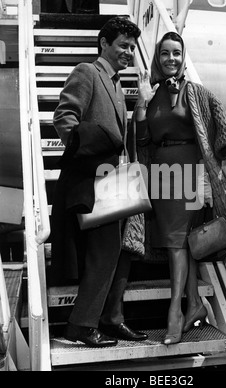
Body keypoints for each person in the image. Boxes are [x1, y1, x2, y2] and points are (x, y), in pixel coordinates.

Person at [134, 31, 226, 345]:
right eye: (165, 53)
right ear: (157, 58)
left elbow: (222, 127)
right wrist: (142, 104)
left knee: (177, 244)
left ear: (183, 57)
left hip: (190, 171)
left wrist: (216, 156)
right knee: (181, 242)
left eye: (176, 53)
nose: (171, 59)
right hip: (161, 172)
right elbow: (141, 140)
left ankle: (176, 311)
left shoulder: (196, 91)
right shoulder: (151, 93)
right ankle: (195, 303)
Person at [49, 17, 148, 348]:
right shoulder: (87, 72)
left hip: (113, 181)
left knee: (116, 253)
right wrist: (90, 152)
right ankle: (80, 325)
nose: (128, 52)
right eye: (123, 45)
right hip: (91, 180)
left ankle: (110, 318)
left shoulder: (117, 83)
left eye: (132, 48)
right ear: (103, 43)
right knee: (103, 253)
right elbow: (64, 118)